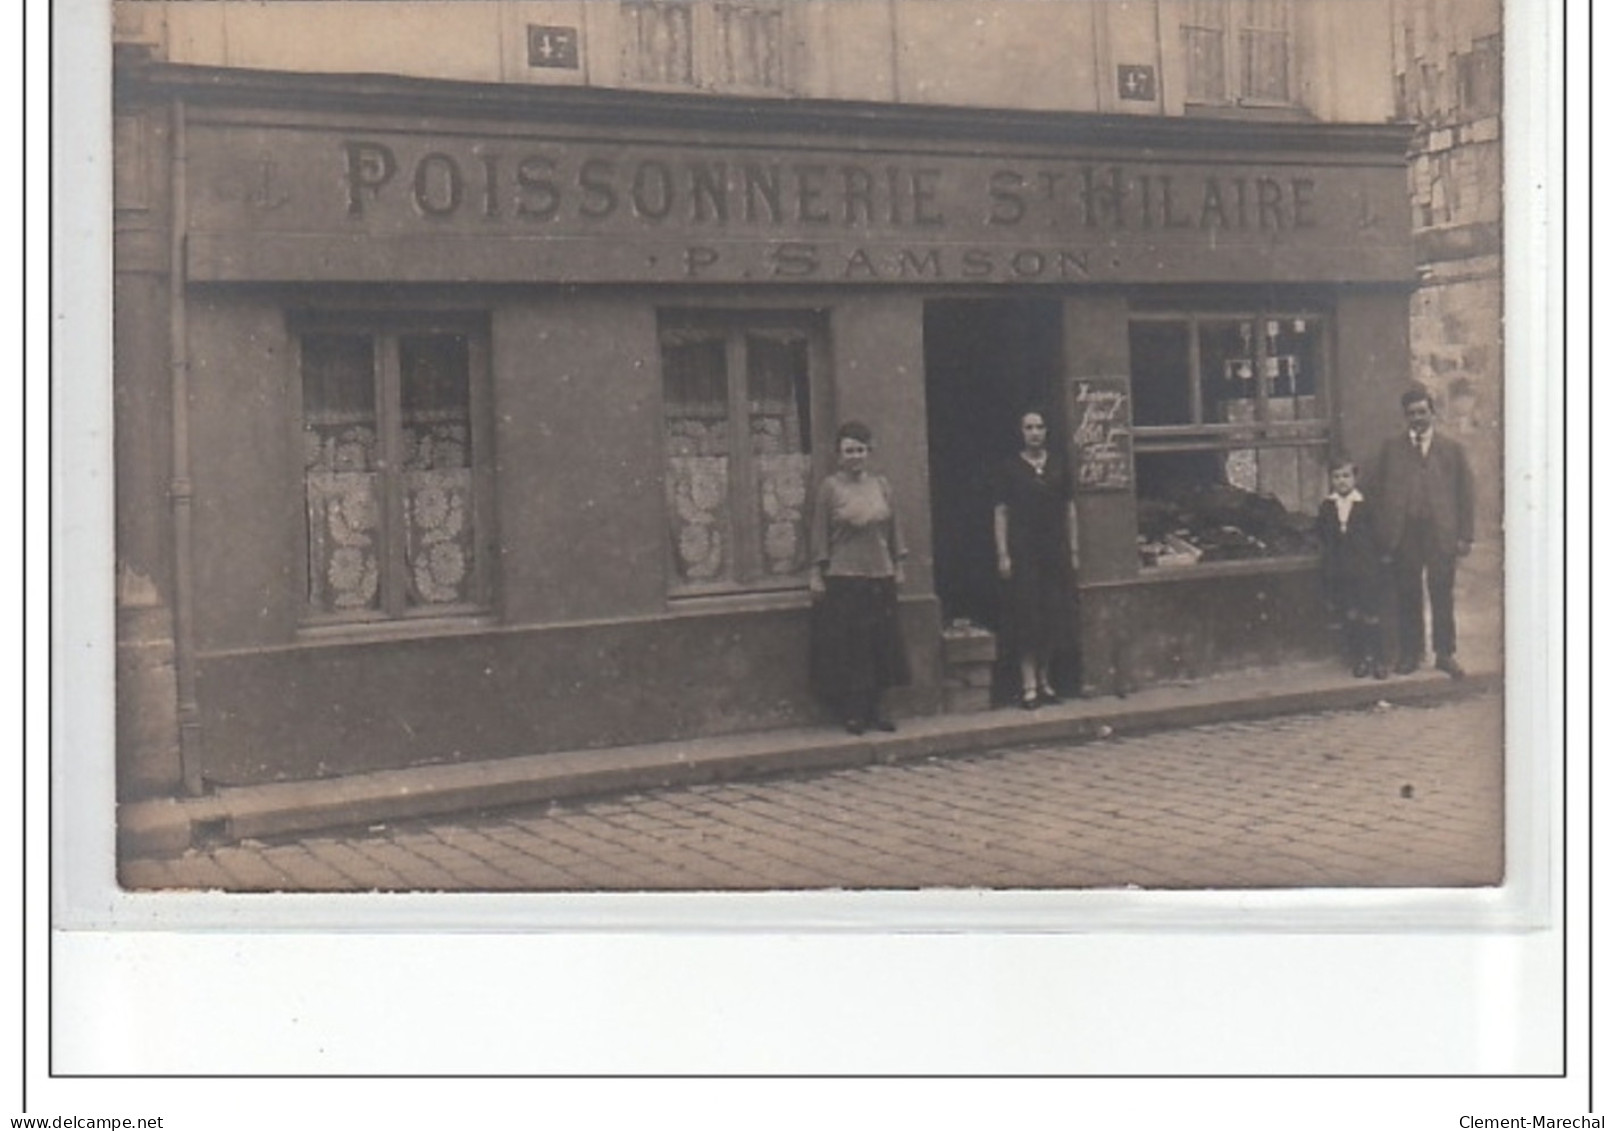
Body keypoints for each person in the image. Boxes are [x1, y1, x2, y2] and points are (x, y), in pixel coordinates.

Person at [809, 421, 910, 735]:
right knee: (852, 647)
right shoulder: (830, 488)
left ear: (869, 452)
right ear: (838, 455)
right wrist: (816, 572)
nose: (854, 456)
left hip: (880, 575)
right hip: (844, 576)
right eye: (848, 451)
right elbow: (819, 531)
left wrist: (899, 563)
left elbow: (894, 529)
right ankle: (853, 712)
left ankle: (877, 710)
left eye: (859, 450)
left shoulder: (882, 485)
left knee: (881, 644)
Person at [1373, 384, 1475, 678]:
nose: (1417, 418)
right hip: (1406, 532)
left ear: (1432, 412)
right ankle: (1411, 653)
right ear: (1404, 416)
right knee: (1408, 592)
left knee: (1442, 592)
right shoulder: (1392, 449)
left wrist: (1465, 535)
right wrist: (1387, 533)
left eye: (1422, 412)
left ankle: (1445, 653)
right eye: (1411, 413)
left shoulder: (1451, 450)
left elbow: (1465, 494)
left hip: (1440, 531)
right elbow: (1380, 493)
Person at [993, 409, 1080, 710]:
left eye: (1040, 427)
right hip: (1024, 551)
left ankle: (1046, 681)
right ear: (1021, 432)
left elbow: (1069, 508)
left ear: (1046, 431)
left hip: (1053, 551)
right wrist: (1003, 553)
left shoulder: (1058, 465)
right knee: (1027, 618)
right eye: (1029, 427)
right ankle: (1028, 685)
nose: (1034, 432)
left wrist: (1074, 548)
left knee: (1051, 618)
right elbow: (1001, 511)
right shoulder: (1010, 468)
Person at [1317, 458, 1388, 680]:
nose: (1341, 481)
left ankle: (1378, 659)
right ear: (1331, 480)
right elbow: (1323, 537)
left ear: (1355, 478)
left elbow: (1378, 536)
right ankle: (1360, 659)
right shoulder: (1327, 507)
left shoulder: (1366, 505)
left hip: (1366, 570)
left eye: (1346, 476)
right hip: (1342, 571)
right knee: (1351, 614)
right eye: (1336, 477)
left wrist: (1377, 561)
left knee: (1371, 614)